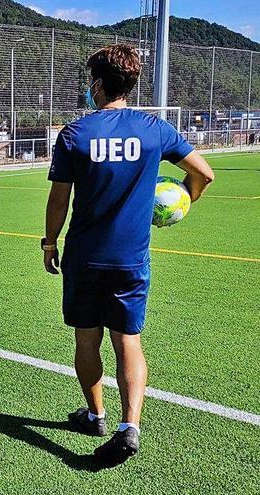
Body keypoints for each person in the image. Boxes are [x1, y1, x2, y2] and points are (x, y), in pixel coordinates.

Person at [43, 44, 214, 465]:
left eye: (89, 81)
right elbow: (204, 173)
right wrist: (180, 205)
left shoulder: (75, 135)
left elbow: (58, 200)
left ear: (98, 84)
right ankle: (129, 425)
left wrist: (49, 242)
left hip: (85, 257)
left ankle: (96, 414)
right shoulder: (155, 129)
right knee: (128, 342)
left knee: (87, 338)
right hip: (131, 260)